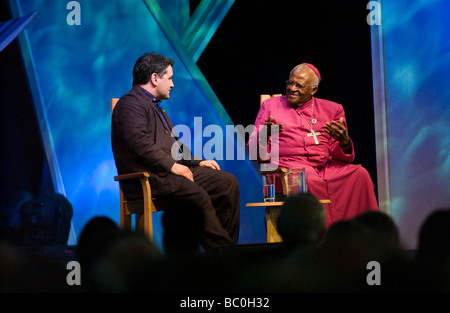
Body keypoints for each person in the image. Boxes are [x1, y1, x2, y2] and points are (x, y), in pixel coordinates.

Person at [111, 52, 240, 250]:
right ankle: (226, 255)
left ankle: (223, 252)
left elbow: (176, 146)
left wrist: (197, 162)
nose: (172, 84)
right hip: (147, 177)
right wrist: (173, 166)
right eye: (169, 78)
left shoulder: (157, 108)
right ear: (154, 78)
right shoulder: (130, 104)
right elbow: (140, 144)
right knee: (196, 196)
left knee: (226, 183)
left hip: (165, 173)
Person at [248, 63, 378, 227]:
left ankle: (365, 234)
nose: (292, 88)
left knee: (361, 174)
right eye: (290, 83)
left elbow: (339, 156)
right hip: (288, 168)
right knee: (308, 178)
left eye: (299, 85)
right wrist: (264, 134)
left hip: (325, 167)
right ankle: (325, 240)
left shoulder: (333, 109)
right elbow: (254, 154)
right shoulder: (271, 106)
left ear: (313, 90)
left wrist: (345, 143)